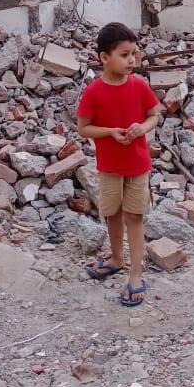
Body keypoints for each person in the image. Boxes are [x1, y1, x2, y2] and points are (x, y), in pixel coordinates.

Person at [77, 22, 161, 307]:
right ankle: (116, 258)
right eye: (125, 55)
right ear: (104, 57)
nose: (132, 61)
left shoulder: (139, 86)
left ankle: (136, 275)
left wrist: (142, 127)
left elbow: (154, 115)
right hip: (109, 165)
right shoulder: (94, 92)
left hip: (137, 165)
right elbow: (84, 128)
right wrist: (110, 132)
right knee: (112, 213)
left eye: (134, 54)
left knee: (134, 216)